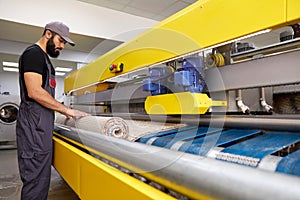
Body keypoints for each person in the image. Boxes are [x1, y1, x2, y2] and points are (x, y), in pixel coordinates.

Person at [16, 21, 89, 200]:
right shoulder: (34, 54)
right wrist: (67, 111)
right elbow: (34, 91)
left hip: (41, 128)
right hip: (34, 129)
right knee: (35, 181)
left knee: (41, 181)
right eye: (61, 40)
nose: (62, 46)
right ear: (48, 34)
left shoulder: (45, 59)